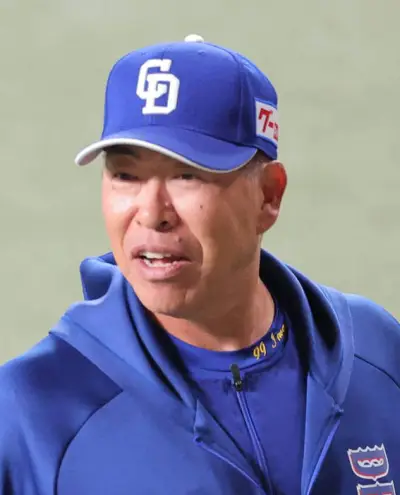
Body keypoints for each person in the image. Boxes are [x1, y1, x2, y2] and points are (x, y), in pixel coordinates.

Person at [0, 34, 399, 495]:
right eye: (126, 175)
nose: (152, 213)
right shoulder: (33, 412)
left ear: (269, 195)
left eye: (187, 175)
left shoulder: (376, 353)